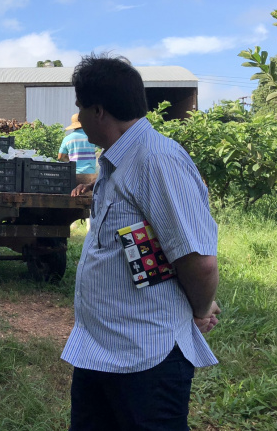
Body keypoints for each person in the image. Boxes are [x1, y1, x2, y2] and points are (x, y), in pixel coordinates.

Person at [62, 54, 221, 431]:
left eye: (80, 108)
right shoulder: (117, 162)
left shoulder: (156, 160)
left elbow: (199, 261)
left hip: (147, 358)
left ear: (99, 111)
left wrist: (200, 311)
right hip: (99, 350)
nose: (78, 119)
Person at [58, 113, 99, 186]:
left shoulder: (67, 139)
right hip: (90, 174)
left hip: (74, 175)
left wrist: (71, 160)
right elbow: (102, 147)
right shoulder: (92, 136)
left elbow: (60, 157)